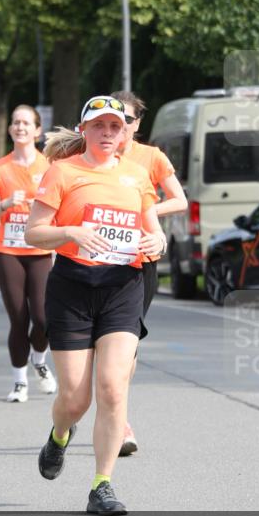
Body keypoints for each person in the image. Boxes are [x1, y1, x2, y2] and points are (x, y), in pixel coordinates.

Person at [25, 95, 165, 515]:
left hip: (123, 286)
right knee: (74, 397)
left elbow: (153, 231)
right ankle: (60, 434)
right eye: (100, 126)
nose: (108, 133)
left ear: (125, 133)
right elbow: (34, 233)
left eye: (115, 127)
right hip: (72, 287)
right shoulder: (62, 172)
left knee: (112, 385)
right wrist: (72, 232)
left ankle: (102, 485)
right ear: (84, 130)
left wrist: (157, 241)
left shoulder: (137, 175)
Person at [112, 89, 188, 456]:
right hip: (96, 261)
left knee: (128, 341)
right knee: (97, 349)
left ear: (137, 124)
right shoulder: (91, 153)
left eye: (127, 120)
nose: (120, 127)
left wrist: (148, 213)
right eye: (114, 119)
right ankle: (86, 403)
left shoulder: (150, 157)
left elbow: (180, 199)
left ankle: (120, 420)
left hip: (140, 256)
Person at [0, 105, 56, 403]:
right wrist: (5, 204)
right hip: (8, 251)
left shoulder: (50, 166)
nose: (20, 127)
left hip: (39, 250)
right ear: (10, 129)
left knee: (42, 318)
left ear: (37, 130)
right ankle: (19, 382)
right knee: (19, 318)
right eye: (16, 123)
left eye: (26, 123)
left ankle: (38, 360)